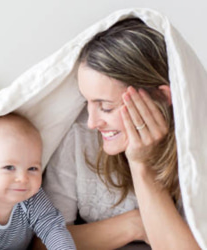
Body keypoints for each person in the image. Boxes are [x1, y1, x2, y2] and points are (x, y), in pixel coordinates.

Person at [39, 18, 201, 249]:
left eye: (106, 107)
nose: (93, 122)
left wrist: (140, 165)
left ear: (163, 97)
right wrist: (135, 224)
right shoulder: (79, 136)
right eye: (87, 102)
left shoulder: (196, 148)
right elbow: (43, 243)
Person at [0, 113, 76, 250]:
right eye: (9, 167)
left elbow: (53, 229)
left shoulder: (33, 200)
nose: (23, 178)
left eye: (32, 168)